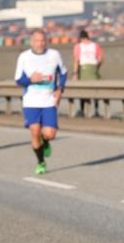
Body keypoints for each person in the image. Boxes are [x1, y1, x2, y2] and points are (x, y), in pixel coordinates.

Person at [15, 29, 67, 175]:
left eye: (43, 40)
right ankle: (41, 162)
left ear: (46, 41)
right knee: (35, 132)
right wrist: (31, 79)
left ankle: (46, 142)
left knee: (50, 134)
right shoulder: (24, 57)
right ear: (31, 42)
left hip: (49, 100)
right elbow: (18, 79)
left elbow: (63, 73)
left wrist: (60, 89)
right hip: (31, 101)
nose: (40, 44)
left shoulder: (54, 55)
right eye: (37, 41)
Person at [73, 30, 103, 117]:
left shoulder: (78, 46)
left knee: (82, 90)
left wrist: (75, 73)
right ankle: (96, 111)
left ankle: (82, 111)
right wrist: (96, 68)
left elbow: (76, 60)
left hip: (83, 69)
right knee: (95, 91)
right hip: (93, 69)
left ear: (80, 38)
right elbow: (100, 59)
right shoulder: (95, 45)